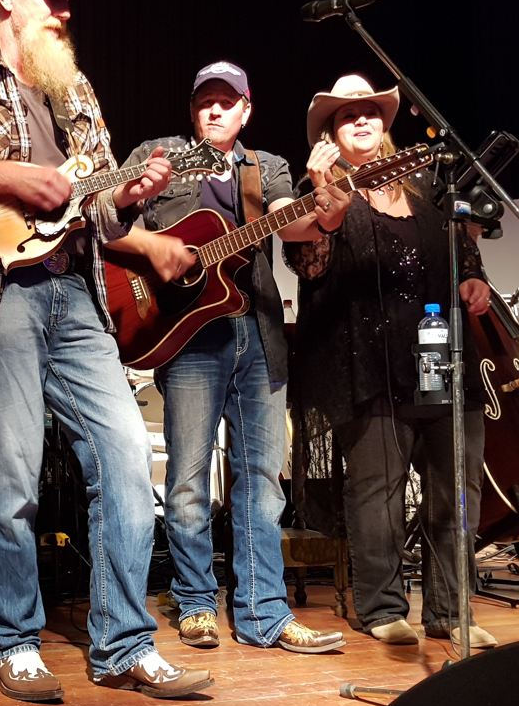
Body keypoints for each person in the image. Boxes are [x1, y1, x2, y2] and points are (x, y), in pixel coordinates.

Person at [0, 0, 212, 703]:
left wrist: (130, 195)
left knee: (126, 458)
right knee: (12, 475)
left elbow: (99, 211)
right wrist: (16, 178)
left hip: (75, 291)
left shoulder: (75, 90)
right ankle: (11, 640)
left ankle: (124, 643)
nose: (65, 8)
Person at [109, 62, 345, 654]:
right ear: (193, 110)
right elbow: (108, 225)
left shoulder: (267, 168)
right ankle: (195, 603)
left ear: (246, 109)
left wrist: (327, 205)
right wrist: (154, 252)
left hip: (259, 335)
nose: (214, 110)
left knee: (262, 484)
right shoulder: (158, 155)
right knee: (187, 481)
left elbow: (295, 226)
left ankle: (264, 612)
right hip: (186, 336)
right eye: (204, 101)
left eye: (226, 101)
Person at [282, 74, 496, 648]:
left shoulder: (425, 182)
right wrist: (325, 198)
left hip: (438, 353)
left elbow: (462, 247)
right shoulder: (316, 188)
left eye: (370, 111)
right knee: (378, 490)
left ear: (385, 124)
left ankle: (452, 610)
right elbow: (308, 265)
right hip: (365, 363)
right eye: (346, 114)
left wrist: (474, 279)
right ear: (330, 133)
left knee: (458, 487)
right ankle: (382, 607)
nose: (361, 120)